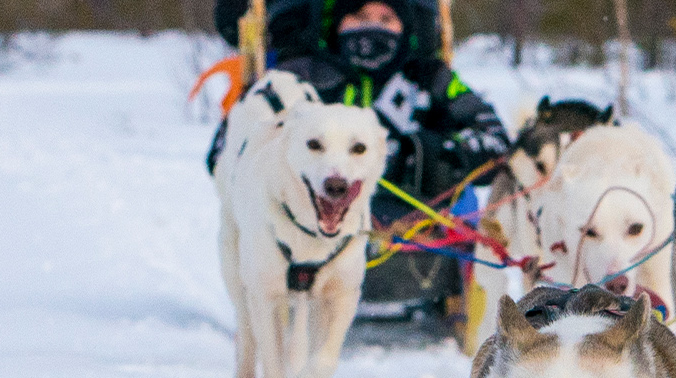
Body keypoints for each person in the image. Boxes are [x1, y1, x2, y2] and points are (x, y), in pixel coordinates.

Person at [213, 0, 512, 337]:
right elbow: (230, 150)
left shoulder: (429, 78)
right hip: (311, 226)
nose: (373, 28)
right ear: (336, 23)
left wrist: (433, 155)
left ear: (407, 27)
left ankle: (469, 306)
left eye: (387, 18)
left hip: (418, 219)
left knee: (470, 198)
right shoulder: (299, 78)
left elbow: (496, 141)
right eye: (358, 16)